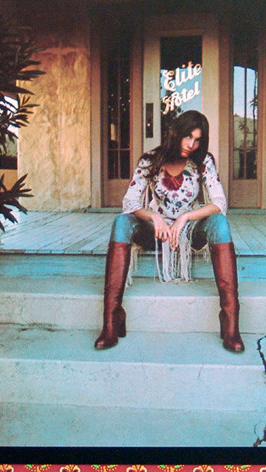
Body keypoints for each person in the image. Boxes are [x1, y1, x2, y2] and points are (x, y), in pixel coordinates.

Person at [94, 110, 245, 353]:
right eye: (187, 137)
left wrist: (185, 217)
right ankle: (112, 319)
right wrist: (154, 217)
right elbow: (129, 202)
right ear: (176, 133)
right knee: (121, 222)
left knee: (220, 223)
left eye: (197, 140)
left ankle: (230, 321)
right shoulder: (150, 160)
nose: (191, 144)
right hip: (156, 232)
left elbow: (220, 203)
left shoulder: (203, 161)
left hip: (189, 231)